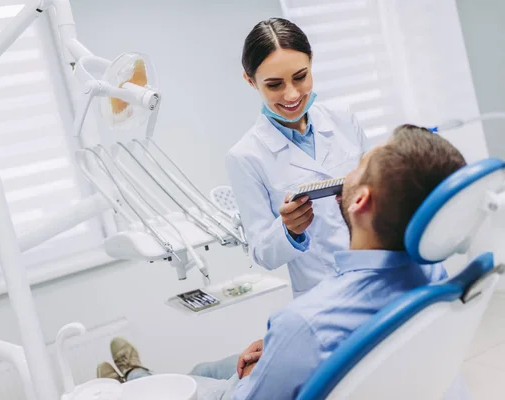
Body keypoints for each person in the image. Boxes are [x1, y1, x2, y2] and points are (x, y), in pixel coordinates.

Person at [96, 125, 469, 399]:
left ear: (359, 201)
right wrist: (282, 347)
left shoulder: (304, 323)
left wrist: (267, 364)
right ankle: (134, 374)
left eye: (359, 165)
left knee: (191, 380)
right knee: (211, 367)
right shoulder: (436, 278)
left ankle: (131, 380)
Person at [226, 17, 370, 299]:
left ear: (311, 62)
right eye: (274, 85)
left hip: (377, 271)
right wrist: (289, 230)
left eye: (300, 77)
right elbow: (262, 253)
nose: (291, 94)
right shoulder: (245, 157)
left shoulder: (344, 119)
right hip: (323, 295)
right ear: (250, 80)